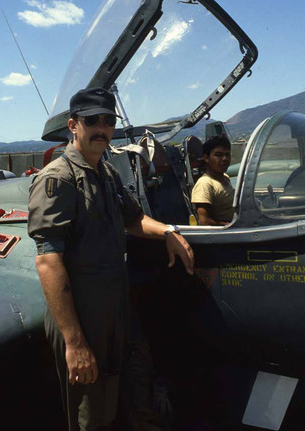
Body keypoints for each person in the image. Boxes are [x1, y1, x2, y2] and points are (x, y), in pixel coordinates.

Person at [28, 87, 194, 431]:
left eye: (108, 120)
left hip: (117, 313)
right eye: (92, 121)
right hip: (83, 320)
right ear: (73, 125)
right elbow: (48, 262)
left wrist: (167, 231)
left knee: (135, 400)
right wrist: (75, 343)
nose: (102, 128)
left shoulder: (106, 174)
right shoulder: (58, 179)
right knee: (92, 418)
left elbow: (133, 219)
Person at [191, 135, 234, 226]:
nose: (224, 159)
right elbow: (204, 222)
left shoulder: (225, 177)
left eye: (227, 155)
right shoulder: (205, 184)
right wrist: (227, 226)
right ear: (206, 158)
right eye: (218, 155)